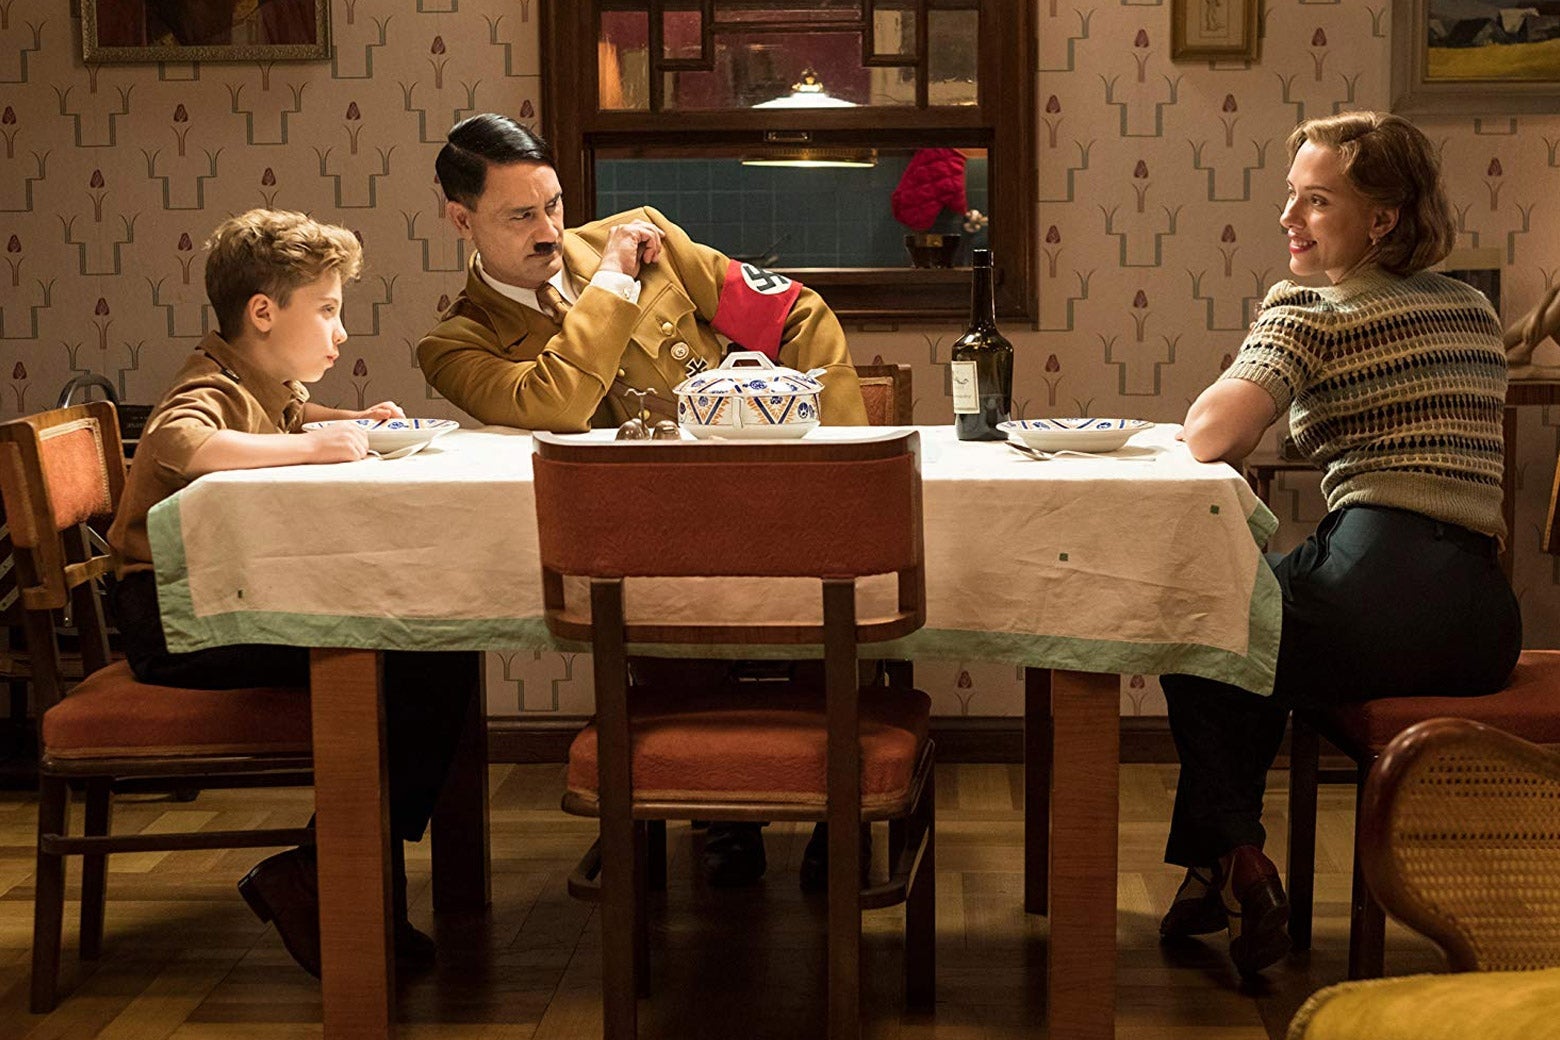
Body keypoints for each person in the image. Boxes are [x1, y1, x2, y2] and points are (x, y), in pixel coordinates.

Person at [419, 113, 868, 887]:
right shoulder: (458, 344)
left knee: (833, 588)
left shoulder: (645, 233)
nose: (549, 231)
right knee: (658, 607)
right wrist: (616, 284)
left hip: (767, 510)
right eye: (520, 215)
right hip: (639, 547)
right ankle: (721, 815)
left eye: (553, 205)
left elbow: (797, 314)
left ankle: (841, 810)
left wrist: (829, 467)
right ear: (462, 219)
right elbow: (557, 400)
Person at [1159, 111, 1521, 980]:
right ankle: (1210, 878)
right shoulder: (1473, 307)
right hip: (1484, 620)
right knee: (1255, 632)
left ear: (1381, 218)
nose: (1290, 218)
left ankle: (1242, 865)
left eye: (1315, 202)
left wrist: (1282, 320)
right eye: (1292, 196)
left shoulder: (1315, 309)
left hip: (1379, 589)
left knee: (1199, 630)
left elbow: (1211, 435)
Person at [106, 208, 478, 979]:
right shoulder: (207, 384)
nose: (341, 332)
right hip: (173, 620)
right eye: (330, 309)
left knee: (435, 646)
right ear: (263, 313)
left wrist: (348, 420)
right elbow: (177, 440)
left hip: (214, 599)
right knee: (417, 658)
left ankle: (335, 873)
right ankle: (327, 877)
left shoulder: (262, 381)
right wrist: (310, 445)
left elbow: (289, 413)